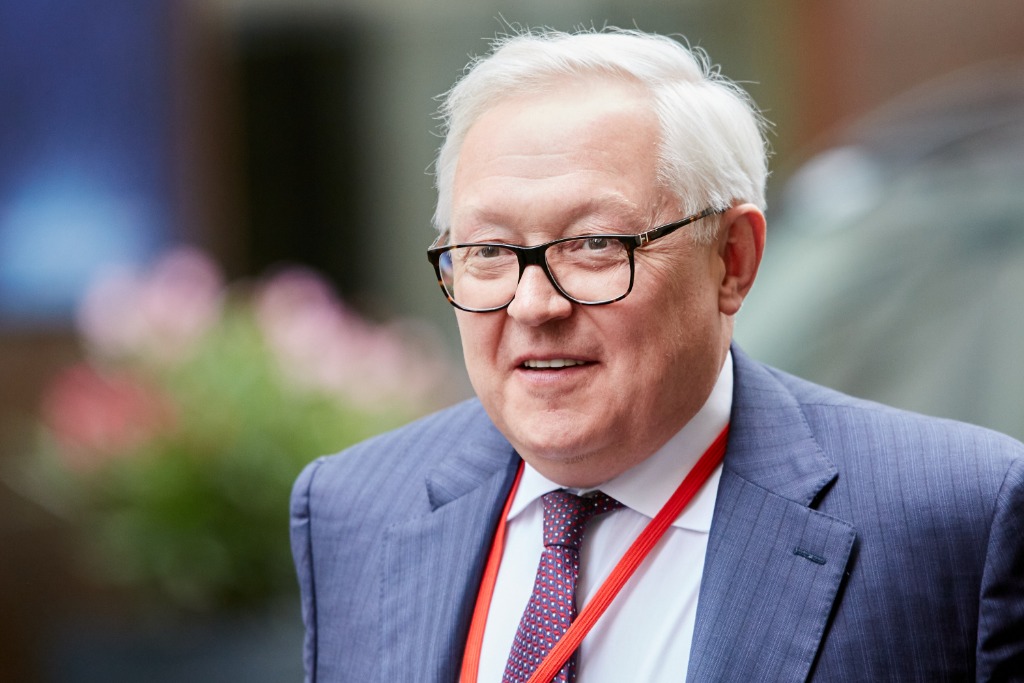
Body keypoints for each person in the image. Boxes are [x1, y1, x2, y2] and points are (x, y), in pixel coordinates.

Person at [290, 28, 1024, 682]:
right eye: (488, 251)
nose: (533, 304)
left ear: (732, 259)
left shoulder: (953, 519)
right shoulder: (353, 510)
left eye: (594, 245)